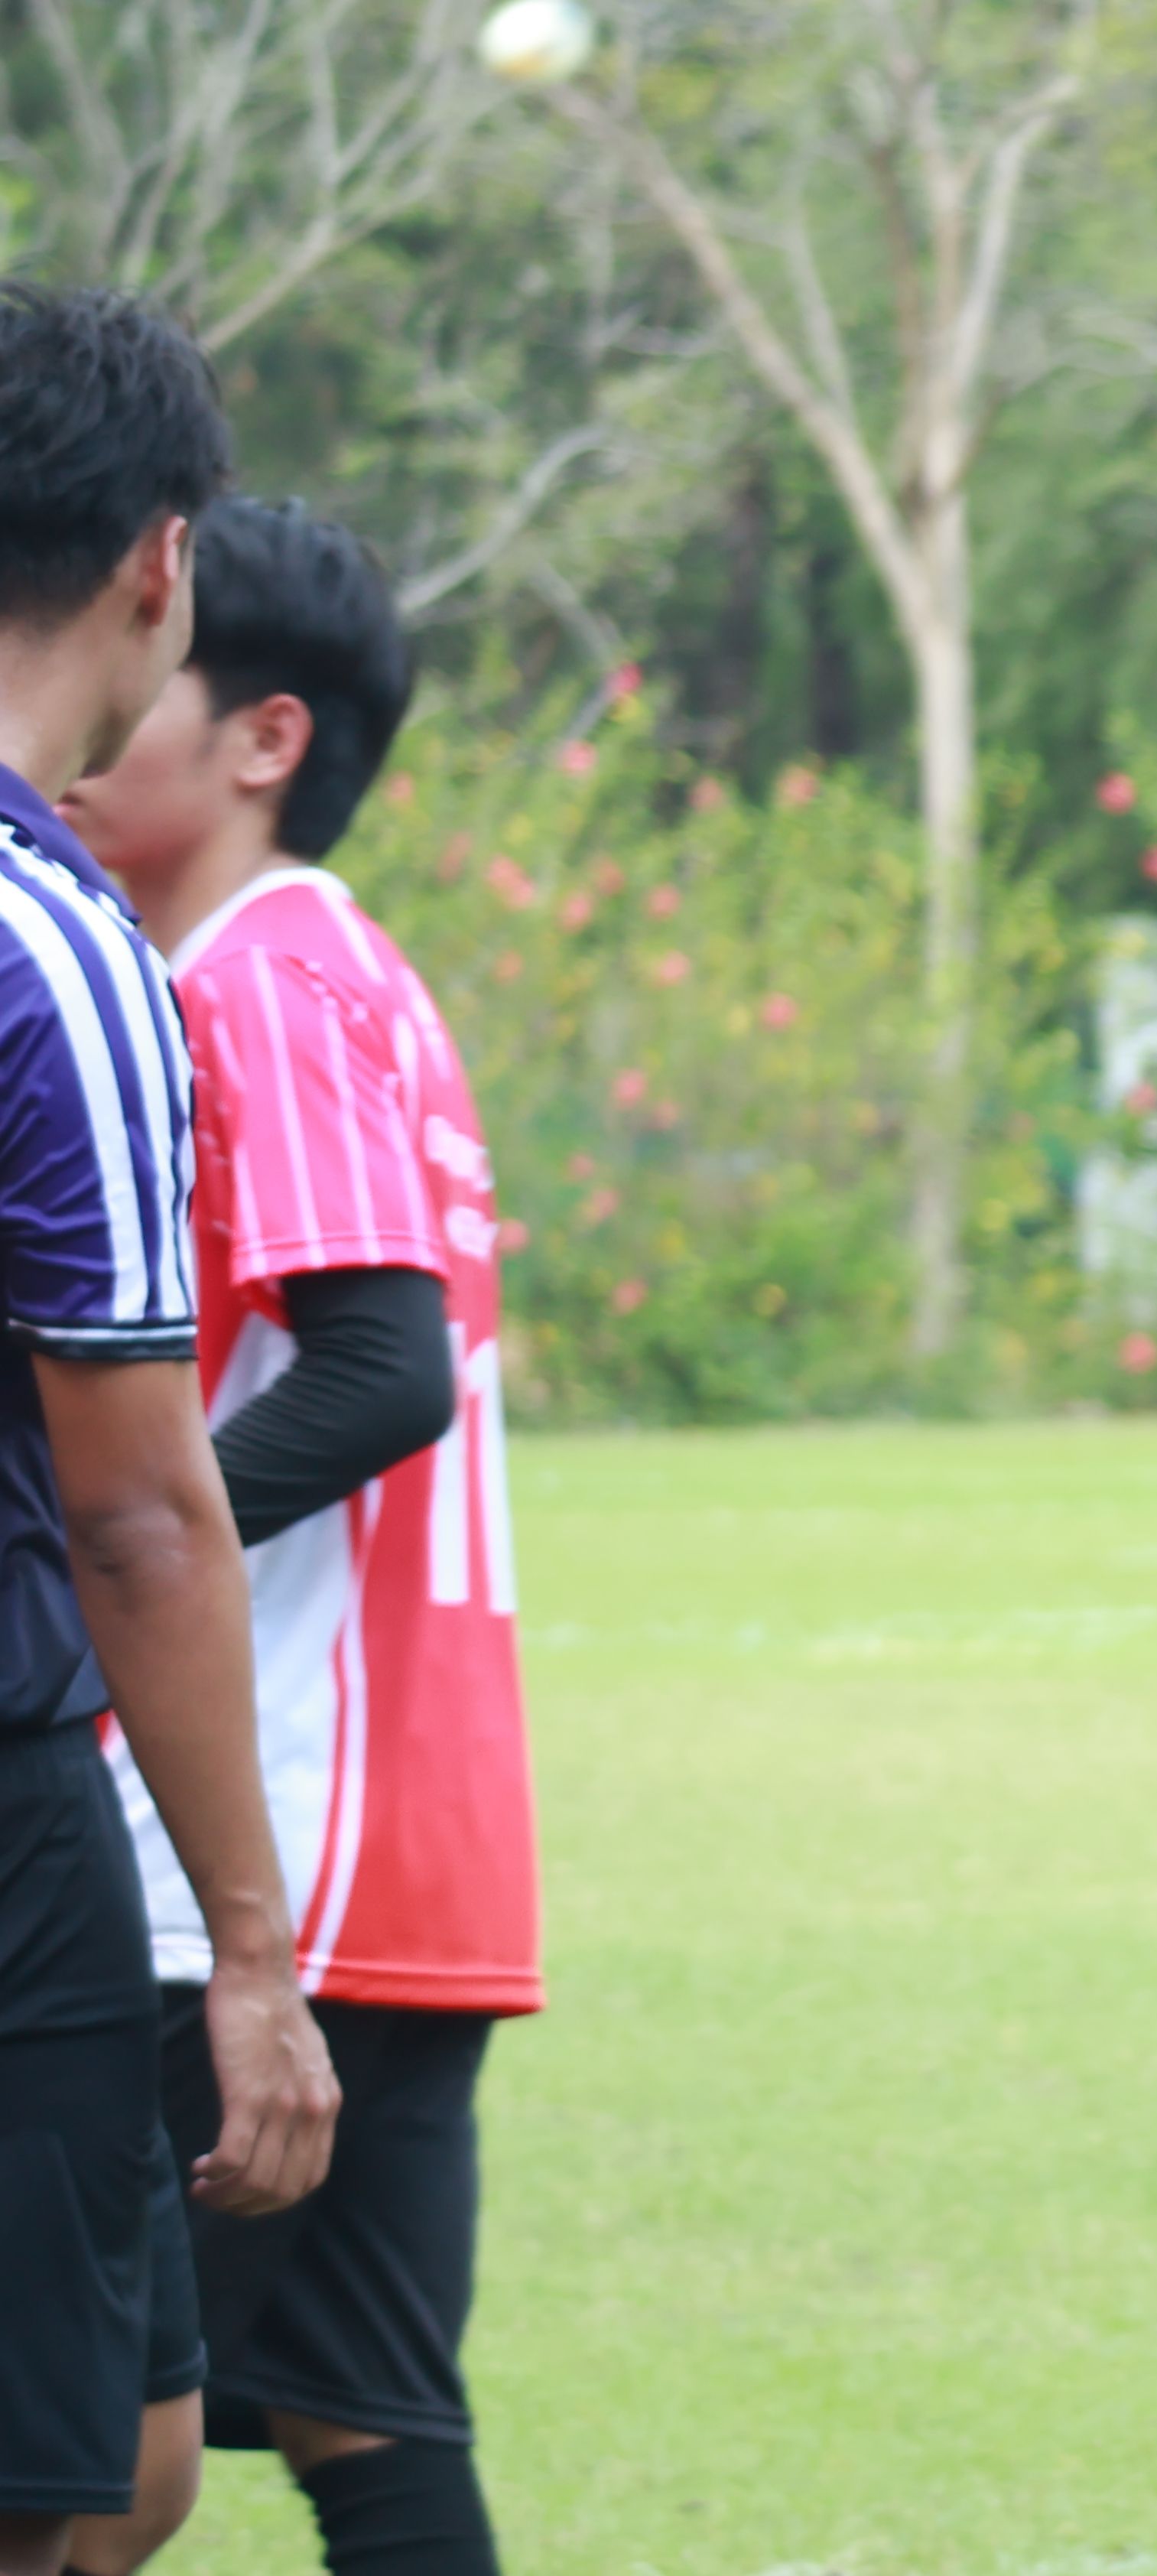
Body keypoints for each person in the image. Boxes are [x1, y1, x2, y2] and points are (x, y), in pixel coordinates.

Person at [54, 496, 531, 2576]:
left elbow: (380, 1369)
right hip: (390, 1835)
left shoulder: (265, 977)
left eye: (123, 672)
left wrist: (102, 1547)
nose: (73, 722)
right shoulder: (328, 973)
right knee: (362, 2422)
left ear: (264, 737)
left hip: (262, 1841)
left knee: (86, 2449)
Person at [0, 285, 339, 2576]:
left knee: (135, 2453)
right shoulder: (55, 946)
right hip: (12, 1821)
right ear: (161, 562)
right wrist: (249, 1950)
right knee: (61, 2498)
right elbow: (139, 1512)